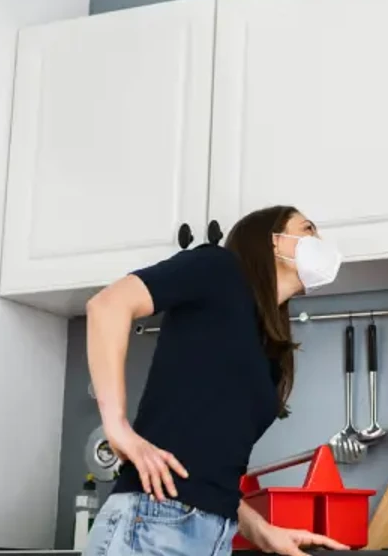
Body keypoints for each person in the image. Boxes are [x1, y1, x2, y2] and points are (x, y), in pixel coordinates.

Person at [82, 206, 349, 556]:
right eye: (308, 229)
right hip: (153, 523)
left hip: (213, 536)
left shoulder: (270, 353)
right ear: (272, 241)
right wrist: (116, 427)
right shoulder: (218, 267)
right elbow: (108, 305)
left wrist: (264, 533)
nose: (319, 241)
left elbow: (210, 470)